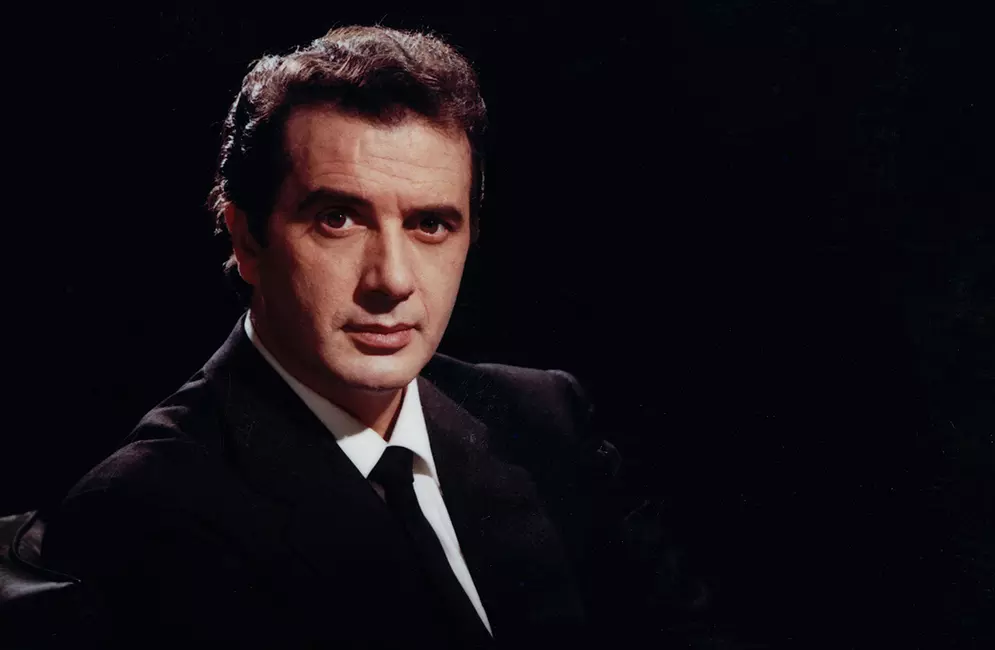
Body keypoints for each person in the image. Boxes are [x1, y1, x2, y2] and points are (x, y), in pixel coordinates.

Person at [38, 25, 707, 648]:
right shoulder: (146, 508)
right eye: (338, 218)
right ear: (247, 240)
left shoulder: (544, 418)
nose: (392, 280)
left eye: (430, 224)